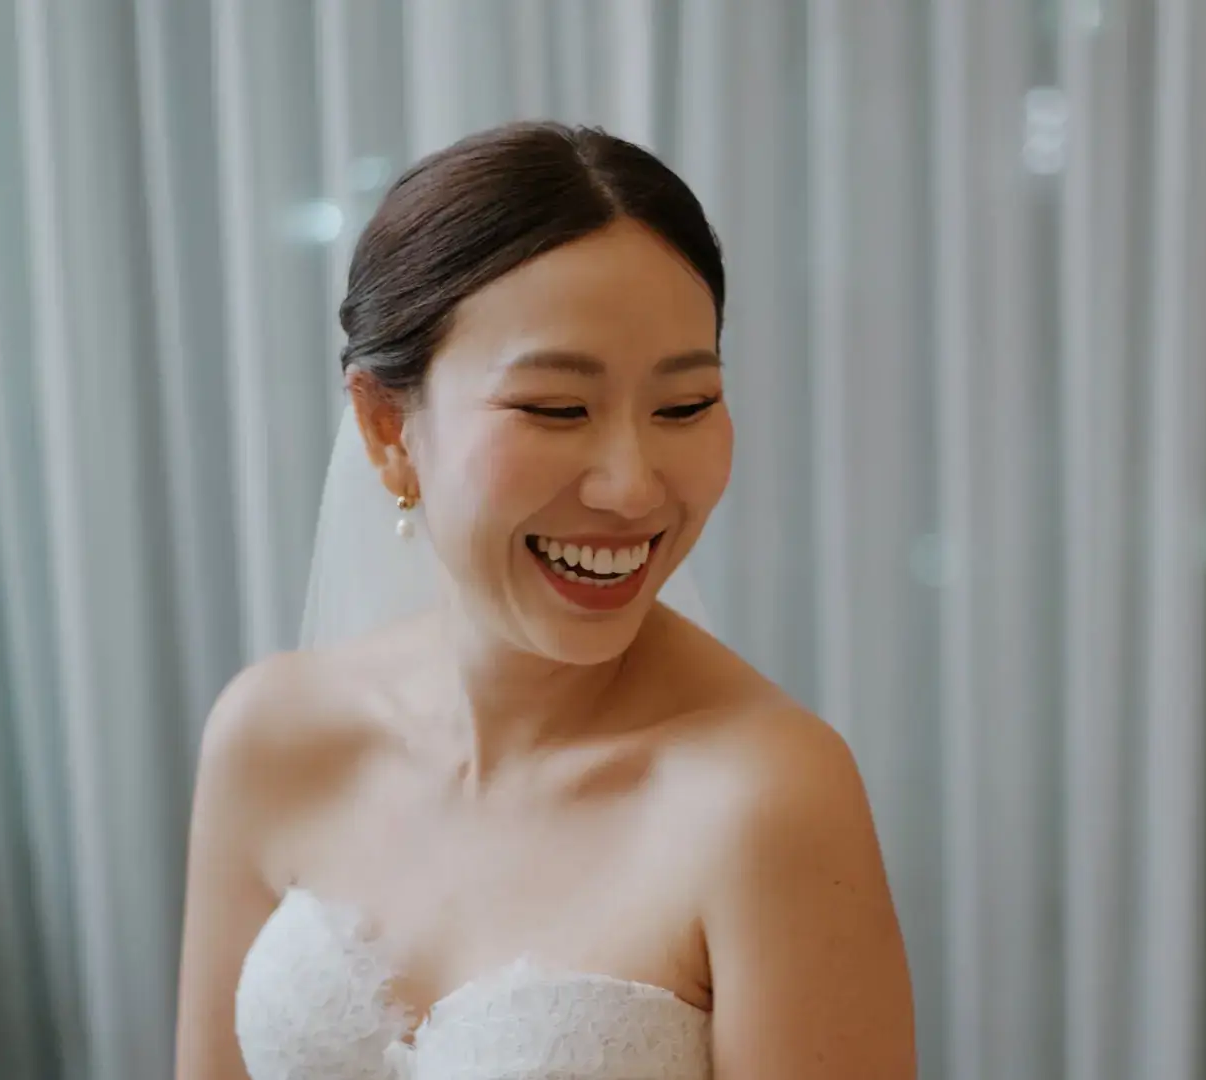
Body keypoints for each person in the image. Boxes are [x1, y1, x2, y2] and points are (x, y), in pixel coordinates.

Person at [173, 121, 915, 1080]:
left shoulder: (767, 798)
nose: (634, 487)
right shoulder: (268, 732)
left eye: (684, 407)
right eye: (556, 408)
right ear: (387, 426)